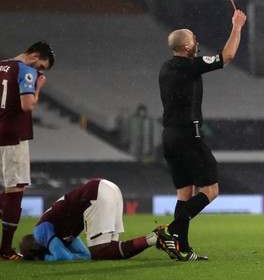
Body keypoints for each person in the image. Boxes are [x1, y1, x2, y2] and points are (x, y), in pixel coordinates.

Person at [158, 7, 247, 261]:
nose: (197, 42)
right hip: (188, 135)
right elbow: (227, 56)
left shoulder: (166, 68)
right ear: (187, 47)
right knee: (211, 189)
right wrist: (237, 27)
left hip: (169, 136)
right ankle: (169, 233)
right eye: (194, 39)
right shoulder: (189, 67)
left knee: (184, 195)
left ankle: (182, 249)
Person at [18, 178, 178, 261]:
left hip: (95, 193)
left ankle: (156, 237)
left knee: (100, 252)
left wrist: (44, 258)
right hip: (108, 188)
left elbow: (63, 257)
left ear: (33, 249)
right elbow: (84, 255)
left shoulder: (41, 232)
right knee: (108, 251)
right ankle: (155, 238)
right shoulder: (58, 232)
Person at [0, 40, 55, 260]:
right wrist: (39, 86)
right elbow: (27, 105)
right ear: (34, 55)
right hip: (14, 136)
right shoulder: (26, 71)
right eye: (41, 65)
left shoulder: (2, 65)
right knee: (15, 193)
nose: (40, 70)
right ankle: (5, 250)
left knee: (14, 191)